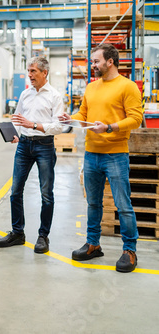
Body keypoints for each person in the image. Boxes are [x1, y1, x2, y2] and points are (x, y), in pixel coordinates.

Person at [59, 44, 143, 273]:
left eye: (95, 61)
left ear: (110, 62)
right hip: (91, 154)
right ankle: (93, 244)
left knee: (123, 204)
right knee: (93, 202)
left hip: (115, 154)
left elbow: (136, 118)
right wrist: (70, 119)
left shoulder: (128, 87)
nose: (92, 65)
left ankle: (129, 249)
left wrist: (109, 127)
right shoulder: (91, 87)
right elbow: (83, 114)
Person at [0, 57, 64, 254]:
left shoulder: (54, 96)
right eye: (29, 70)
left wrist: (32, 125)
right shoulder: (25, 94)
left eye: (33, 71)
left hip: (44, 146)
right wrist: (15, 133)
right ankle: (18, 232)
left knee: (46, 194)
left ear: (44, 73)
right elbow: (18, 119)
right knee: (15, 191)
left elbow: (59, 127)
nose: (30, 75)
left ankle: (43, 236)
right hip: (24, 146)